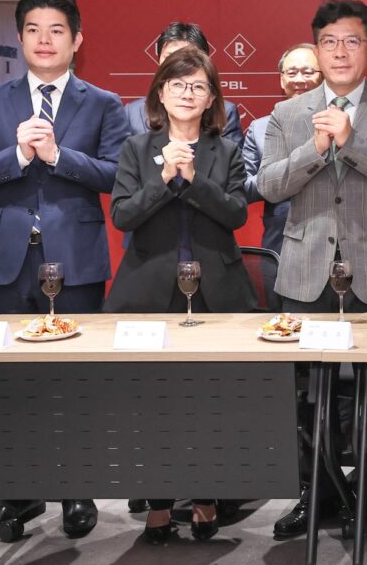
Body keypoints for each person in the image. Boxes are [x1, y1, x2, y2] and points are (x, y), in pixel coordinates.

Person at [0, 0, 129, 543]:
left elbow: (116, 176)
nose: (44, 40)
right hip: (4, 258)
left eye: (57, 30)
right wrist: (15, 156)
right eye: (33, 29)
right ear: (20, 37)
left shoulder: (102, 102)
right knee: (7, 380)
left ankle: (76, 490)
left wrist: (58, 156)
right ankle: (17, 492)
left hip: (74, 257)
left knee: (73, 377)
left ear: (77, 39)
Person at [257, 0, 367, 541]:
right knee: (307, 393)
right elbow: (269, 186)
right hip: (306, 270)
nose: (340, 51)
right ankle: (318, 494)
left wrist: (352, 142)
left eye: (352, 41)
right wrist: (314, 147)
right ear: (318, 50)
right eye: (329, 42)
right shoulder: (287, 114)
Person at [104, 47, 255, 543]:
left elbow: (236, 214)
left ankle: (207, 496)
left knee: (211, 400)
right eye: (177, 85)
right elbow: (123, 215)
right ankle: (159, 502)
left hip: (215, 293)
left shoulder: (226, 150)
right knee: (153, 402)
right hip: (150, 292)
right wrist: (165, 177)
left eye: (198, 86)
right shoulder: (135, 148)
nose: (187, 94)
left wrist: (193, 181)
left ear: (211, 99)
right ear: (160, 94)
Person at [243, 44, 323, 253]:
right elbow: (242, 188)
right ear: (281, 79)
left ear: (324, 76)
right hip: (280, 246)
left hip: (334, 244)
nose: (299, 79)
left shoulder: (338, 123)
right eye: (292, 72)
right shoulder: (260, 129)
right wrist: (283, 172)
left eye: (308, 72)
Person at [124, 22, 243, 145]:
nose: (178, 65)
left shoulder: (225, 114)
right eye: (169, 57)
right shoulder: (133, 113)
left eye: (187, 59)